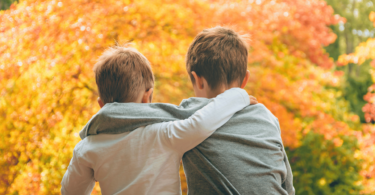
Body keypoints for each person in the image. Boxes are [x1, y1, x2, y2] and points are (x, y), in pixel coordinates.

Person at [82, 27, 295, 195]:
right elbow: (287, 183)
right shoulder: (267, 117)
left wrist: (97, 123)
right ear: (245, 79)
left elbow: (135, 112)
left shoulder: (192, 112)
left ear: (196, 79)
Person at [61, 46, 257, 195]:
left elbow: (70, 191)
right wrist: (237, 96)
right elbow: (202, 123)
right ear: (148, 96)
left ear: (101, 104)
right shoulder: (163, 134)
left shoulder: (87, 148)